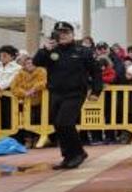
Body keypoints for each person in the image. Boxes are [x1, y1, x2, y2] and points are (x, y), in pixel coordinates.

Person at [33, 21, 101, 169]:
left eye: (66, 33)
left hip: (75, 93)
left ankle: (78, 153)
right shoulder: (51, 50)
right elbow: (36, 63)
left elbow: (96, 72)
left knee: (65, 122)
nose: (62, 35)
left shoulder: (83, 51)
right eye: (59, 33)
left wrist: (96, 91)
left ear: (72, 34)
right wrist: (44, 49)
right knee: (58, 124)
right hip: (56, 92)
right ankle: (68, 156)